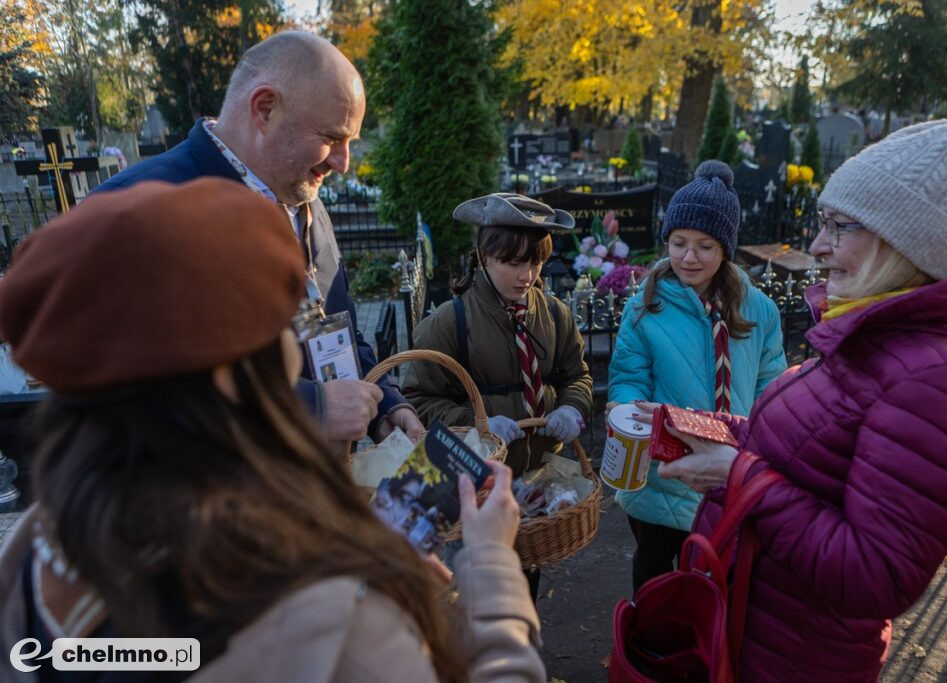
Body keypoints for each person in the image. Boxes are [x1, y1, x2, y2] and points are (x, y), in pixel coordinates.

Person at [0, 179, 544, 682]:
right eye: (286, 323)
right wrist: (489, 563)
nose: (301, 342)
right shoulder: (319, 618)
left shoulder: (36, 548)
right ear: (228, 375)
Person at [656, 119, 947, 680]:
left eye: (839, 227)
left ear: (902, 241)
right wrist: (706, 430)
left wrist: (739, 476)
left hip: (796, 659)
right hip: (755, 632)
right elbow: (802, 446)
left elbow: (876, 575)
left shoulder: (941, 383)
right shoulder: (869, 332)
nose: (818, 246)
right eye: (825, 223)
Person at [92, 30, 422, 446]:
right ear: (265, 108)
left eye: (350, 142)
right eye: (331, 138)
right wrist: (309, 409)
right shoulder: (137, 209)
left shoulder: (304, 199)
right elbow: (135, 395)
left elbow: (334, 327)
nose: (343, 163)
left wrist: (385, 402)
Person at [607, 160, 786, 592]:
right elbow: (630, 373)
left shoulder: (758, 309)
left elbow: (769, 383)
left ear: (725, 248)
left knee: (717, 578)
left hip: (728, 469)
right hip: (661, 473)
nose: (689, 257)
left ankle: (703, 652)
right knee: (653, 573)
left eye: (705, 245)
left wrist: (762, 443)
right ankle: (648, 651)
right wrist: (627, 407)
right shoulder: (645, 306)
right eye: (679, 243)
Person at [402, 193, 593, 478]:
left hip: (545, 476)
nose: (526, 276)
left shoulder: (555, 313)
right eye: (513, 263)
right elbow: (419, 400)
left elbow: (578, 376)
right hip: (478, 477)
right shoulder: (448, 322)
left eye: (534, 262)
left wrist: (572, 407)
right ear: (483, 256)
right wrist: (478, 425)